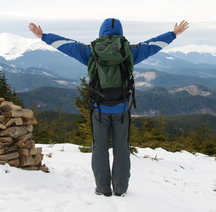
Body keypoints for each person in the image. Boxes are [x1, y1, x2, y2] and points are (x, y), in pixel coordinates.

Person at [29, 18, 189, 197]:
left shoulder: (90, 51)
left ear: (101, 32)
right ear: (120, 32)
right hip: (122, 109)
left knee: (100, 148)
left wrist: (43, 36)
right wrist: (173, 34)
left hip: (99, 108)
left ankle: (103, 188)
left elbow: (67, 46)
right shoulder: (128, 50)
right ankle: (120, 189)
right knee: (121, 148)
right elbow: (152, 45)